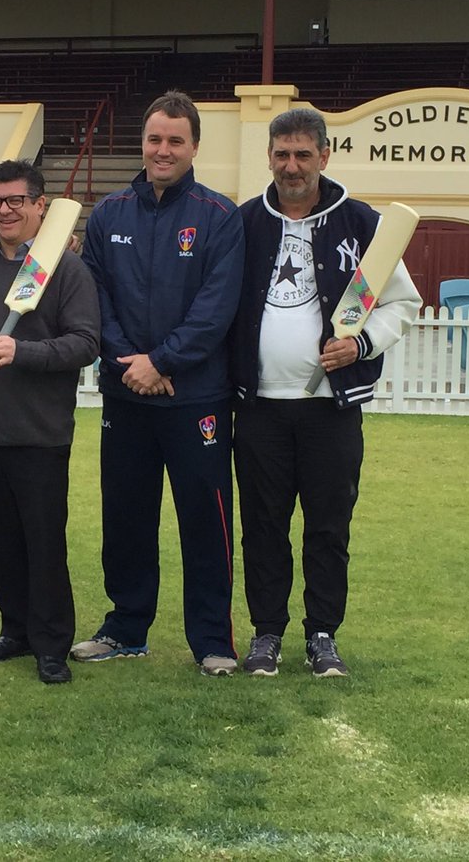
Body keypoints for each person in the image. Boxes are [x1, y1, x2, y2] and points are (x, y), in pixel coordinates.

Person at [232, 108, 421, 678]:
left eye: (303, 155)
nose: (291, 166)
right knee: (263, 525)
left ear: (324, 156)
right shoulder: (244, 223)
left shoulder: (362, 225)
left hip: (330, 412)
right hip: (259, 406)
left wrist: (360, 347)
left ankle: (322, 634)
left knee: (327, 525)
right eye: (281, 154)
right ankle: (267, 633)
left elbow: (402, 304)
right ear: (269, 156)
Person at [72, 90, 244, 677]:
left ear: (195, 146)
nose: (163, 149)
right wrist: (130, 363)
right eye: (154, 138)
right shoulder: (109, 213)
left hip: (195, 399)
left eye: (175, 140)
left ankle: (213, 640)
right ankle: (125, 628)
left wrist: (163, 362)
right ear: (142, 143)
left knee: (204, 517)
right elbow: (96, 298)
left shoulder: (220, 216)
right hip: (126, 394)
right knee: (126, 516)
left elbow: (215, 310)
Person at [0, 159, 100, 685]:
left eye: (16, 201)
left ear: (40, 206)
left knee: (43, 541)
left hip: (40, 431)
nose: (4, 210)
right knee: (1, 539)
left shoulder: (66, 270)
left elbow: (86, 344)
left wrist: (23, 351)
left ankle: (51, 644)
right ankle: (15, 629)